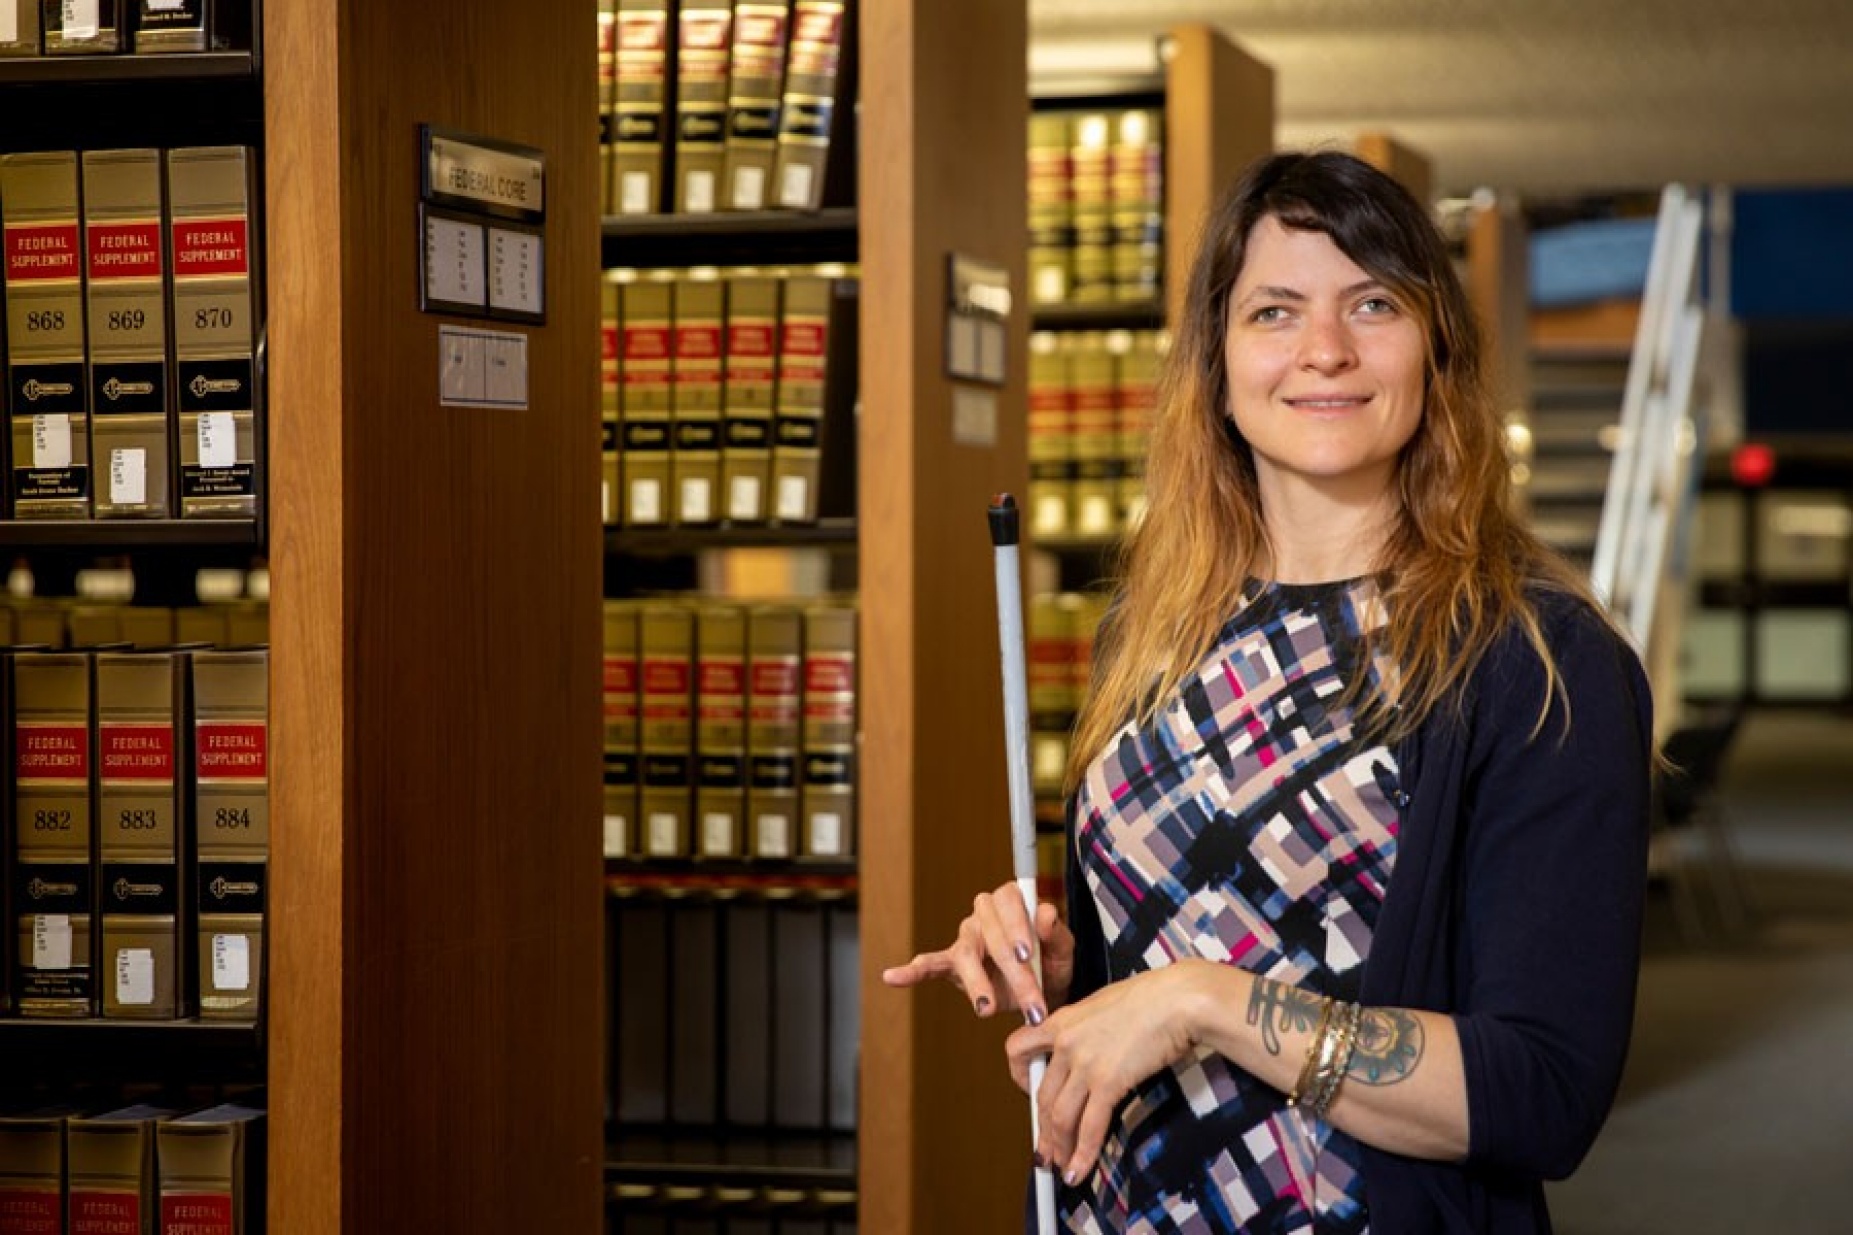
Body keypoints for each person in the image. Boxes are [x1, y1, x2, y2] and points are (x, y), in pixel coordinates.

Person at [882, 149, 1653, 1233]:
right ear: (1217, 358)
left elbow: (1539, 1091)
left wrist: (1198, 996)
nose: (1322, 350)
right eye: (1273, 311)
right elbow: (1144, 976)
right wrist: (1070, 969)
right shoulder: (1149, 630)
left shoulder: (1536, 662)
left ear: (1435, 347)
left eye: (1371, 303)